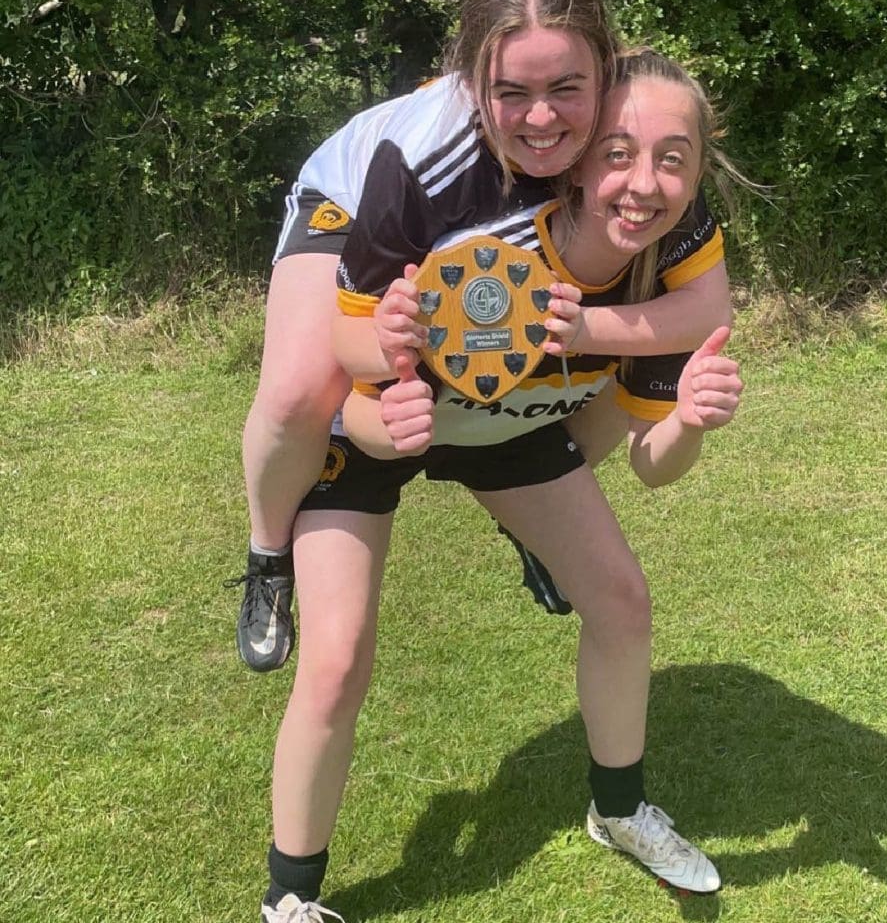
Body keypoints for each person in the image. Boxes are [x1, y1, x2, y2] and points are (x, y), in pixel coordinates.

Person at [258, 49, 744, 923]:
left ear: (700, 174)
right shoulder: (480, 255)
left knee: (622, 601)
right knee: (334, 661)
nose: (644, 184)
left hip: (511, 429)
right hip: (382, 424)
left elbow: (651, 464)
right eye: (620, 153)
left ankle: (620, 808)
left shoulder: (663, 280)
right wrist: (387, 426)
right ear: (580, 153)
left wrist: (687, 425)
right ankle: (291, 899)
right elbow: (360, 395)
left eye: (674, 159)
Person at [228, 0, 732, 672]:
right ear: (472, 79)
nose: (543, 114)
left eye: (566, 87)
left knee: (590, 379)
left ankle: (537, 527)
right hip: (350, 200)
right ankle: (267, 554)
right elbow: (360, 346)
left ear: (601, 67)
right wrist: (398, 345)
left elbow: (707, 312)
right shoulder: (430, 153)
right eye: (512, 91)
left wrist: (583, 331)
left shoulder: (639, 132)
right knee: (299, 392)